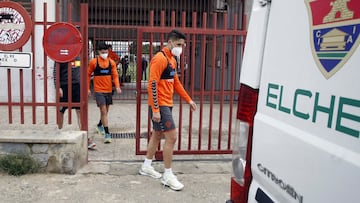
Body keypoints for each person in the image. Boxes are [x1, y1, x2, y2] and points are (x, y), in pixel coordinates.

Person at [139, 30, 197, 191]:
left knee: (157, 134)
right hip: (160, 105)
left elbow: (176, 83)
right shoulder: (160, 59)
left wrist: (188, 100)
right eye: (179, 44)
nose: (181, 48)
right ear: (170, 43)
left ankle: (146, 166)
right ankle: (168, 174)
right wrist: (156, 109)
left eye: (183, 45)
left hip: (167, 103)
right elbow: (151, 84)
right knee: (172, 137)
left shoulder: (172, 60)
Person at [53, 57, 96, 149]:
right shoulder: (60, 56)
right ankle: (58, 132)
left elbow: (84, 72)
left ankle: (85, 137)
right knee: (61, 110)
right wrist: (58, 87)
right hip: (64, 85)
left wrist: (86, 87)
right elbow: (56, 72)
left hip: (77, 85)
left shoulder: (79, 57)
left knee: (80, 111)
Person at [88, 42, 121, 144]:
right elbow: (87, 75)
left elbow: (115, 76)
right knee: (103, 111)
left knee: (105, 112)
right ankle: (107, 134)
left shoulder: (111, 63)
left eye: (106, 52)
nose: (105, 54)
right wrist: (88, 88)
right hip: (99, 91)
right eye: (103, 52)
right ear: (98, 52)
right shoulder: (94, 62)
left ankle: (99, 125)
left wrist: (117, 86)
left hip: (108, 90)